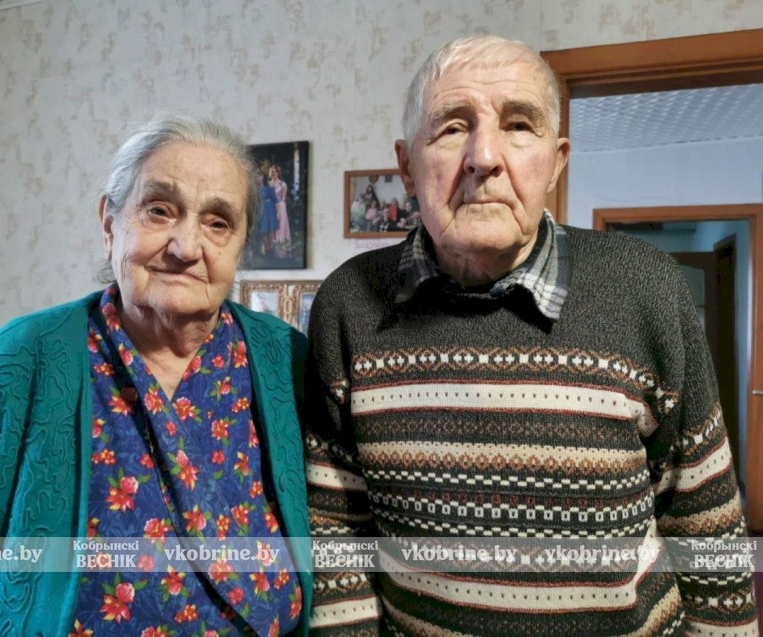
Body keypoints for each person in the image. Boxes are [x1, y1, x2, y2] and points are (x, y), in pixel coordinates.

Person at [305, 35, 758, 636]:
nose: (483, 156)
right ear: (406, 167)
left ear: (556, 161)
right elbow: (337, 534)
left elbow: (706, 526)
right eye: (450, 129)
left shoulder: (646, 286)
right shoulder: (346, 305)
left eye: (519, 125)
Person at [0, 115, 311, 636]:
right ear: (110, 223)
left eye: (217, 222)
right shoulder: (7, 368)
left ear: (240, 246)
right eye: (160, 211)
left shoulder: (288, 361)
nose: (186, 246)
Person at [270, 164, 291, 253]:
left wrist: (280, 210)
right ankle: (271, 249)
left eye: (275, 171)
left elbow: (283, 198)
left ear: (278, 173)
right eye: (272, 171)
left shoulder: (282, 184)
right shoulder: (268, 184)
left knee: (280, 227)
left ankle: (281, 249)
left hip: (280, 207)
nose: (274, 173)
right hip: (271, 207)